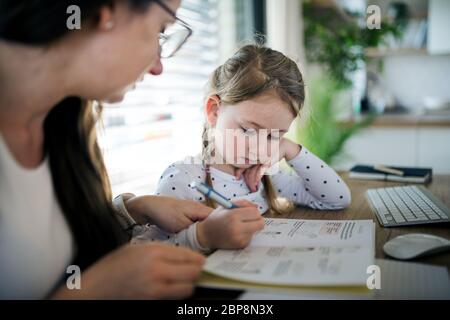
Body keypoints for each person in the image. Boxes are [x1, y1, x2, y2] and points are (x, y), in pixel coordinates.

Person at [0, 0, 260, 299]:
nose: (158, 67)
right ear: (109, 11)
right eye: (160, 31)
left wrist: (133, 210)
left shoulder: (64, 124)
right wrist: (95, 291)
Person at [129, 45, 351, 253]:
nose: (258, 148)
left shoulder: (263, 175)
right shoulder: (183, 179)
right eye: (248, 130)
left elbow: (336, 198)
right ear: (215, 111)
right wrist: (201, 237)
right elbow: (146, 253)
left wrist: (289, 148)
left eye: (274, 135)